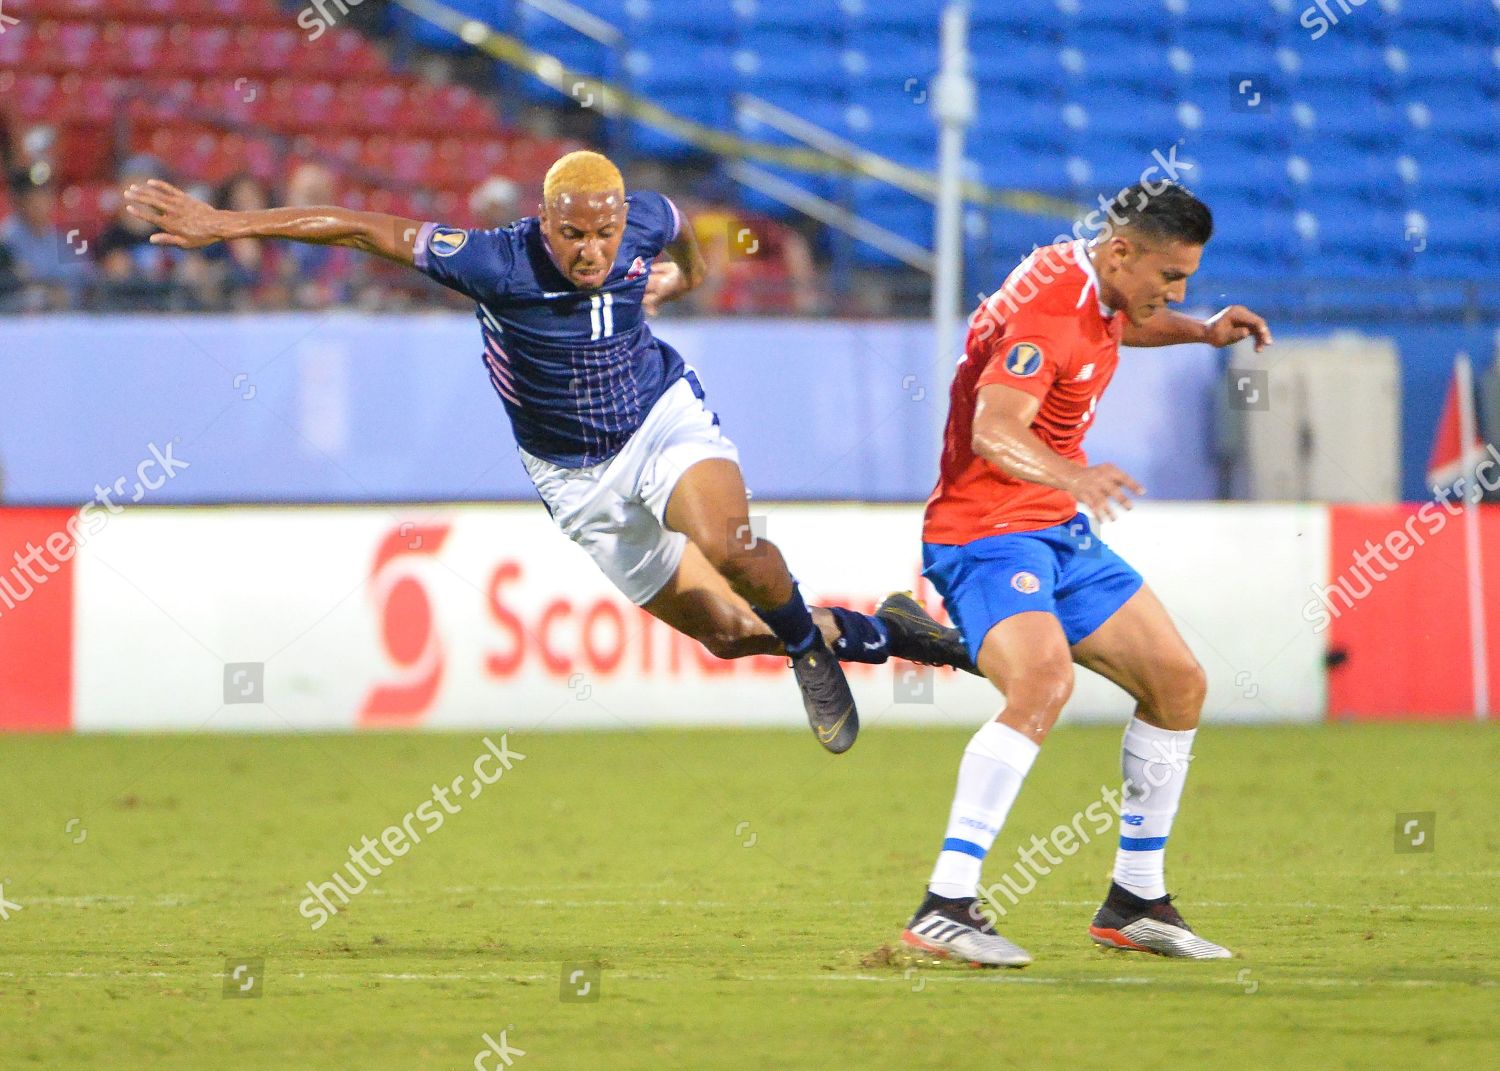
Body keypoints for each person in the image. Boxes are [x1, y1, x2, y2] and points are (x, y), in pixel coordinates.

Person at [122, 150, 973, 753]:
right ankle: (887, 634)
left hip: (660, 421)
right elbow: (364, 230)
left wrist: (686, 275)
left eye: (605, 236)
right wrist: (226, 222)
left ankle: (810, 662)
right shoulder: (494, 261)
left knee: (730, 546)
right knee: (720, 631)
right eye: (576, 237)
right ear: (546, 221)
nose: (594, 251)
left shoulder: (642, 220)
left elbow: (693, 232)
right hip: (575, 478)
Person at [899, 182, 1273, 965]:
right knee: (1041, 684)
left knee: (1179, 682)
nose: (1176, 292)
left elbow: (1119, 326)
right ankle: (945, 903)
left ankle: (1134, 899)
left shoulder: (1096, 284)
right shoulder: (1047, 308)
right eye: (1171, 278)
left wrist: (1201, 332)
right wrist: (1072, 476)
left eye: (1188, 282)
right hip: (986, 533)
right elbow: (994, 428)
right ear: (1122, 250)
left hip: (1053, 530)